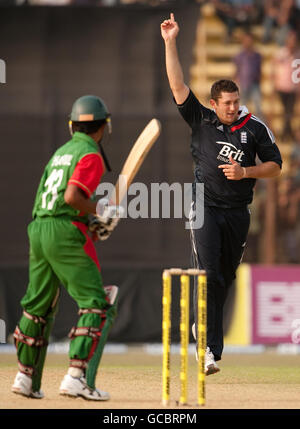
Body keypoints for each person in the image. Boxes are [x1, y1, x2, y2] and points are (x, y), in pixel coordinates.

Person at [161, 13, 282, 374]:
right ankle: (209, 349)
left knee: (225, 277)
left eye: (236, 101)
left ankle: (209, 337)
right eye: (226, 102)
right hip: (204, 206)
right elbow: (178, 84)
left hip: (238, 211)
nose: (232, 107)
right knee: (208, 272)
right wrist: (170, 43)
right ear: (214, 104)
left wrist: (247, 171)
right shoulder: (201, 120)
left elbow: (276, 167)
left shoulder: (255, 127)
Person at [11, 95, 122, 400]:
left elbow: (57, 200)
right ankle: (76, 377)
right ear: (102, 128)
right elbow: (73, 197)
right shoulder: (90, 154)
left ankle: (25, 377)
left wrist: (90, 224)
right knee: (96, 303)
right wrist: (99, 211)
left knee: (37, 307)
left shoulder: (60, 152)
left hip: (39, 228)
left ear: (72, 125)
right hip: (63, 229)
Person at [272, 30, 300, 142]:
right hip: (281, 87)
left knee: (289, 111)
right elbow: (274, 69)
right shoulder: (281, 53)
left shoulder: (298, 54)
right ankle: (287, 133)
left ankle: (286, 133)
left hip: (293, 88)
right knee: (287, 111)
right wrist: (274, 83)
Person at [233, 32, 263, 119]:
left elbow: (259, 70)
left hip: (255, 83)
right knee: (242, 106)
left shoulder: (257, 55)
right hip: (243, 83)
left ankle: (260, 126)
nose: (248, 43)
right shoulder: (239, 56)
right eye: (246, 41)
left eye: (249, 41)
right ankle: (240, 124)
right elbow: (236, 70)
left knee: (258, 106)